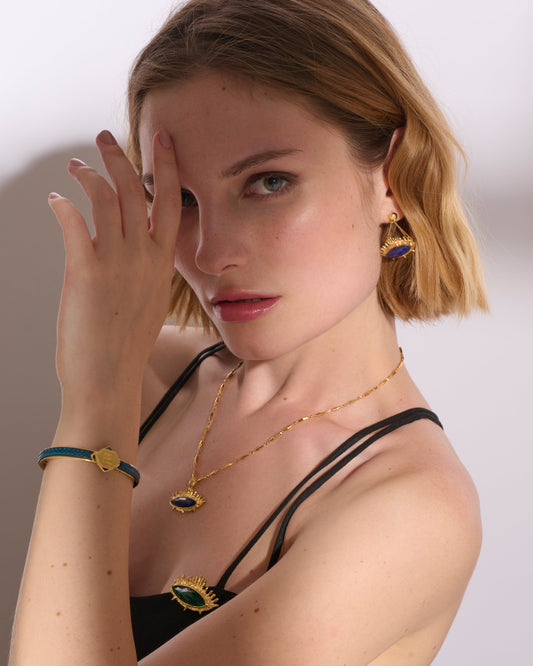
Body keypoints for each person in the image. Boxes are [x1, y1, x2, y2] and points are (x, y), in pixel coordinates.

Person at [10, 0, 489, 663]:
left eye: (269, 182)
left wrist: (96, 405)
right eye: (180, 198)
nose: (209, 254)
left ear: (392, 177)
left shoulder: (412, 508)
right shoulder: (146, 373)